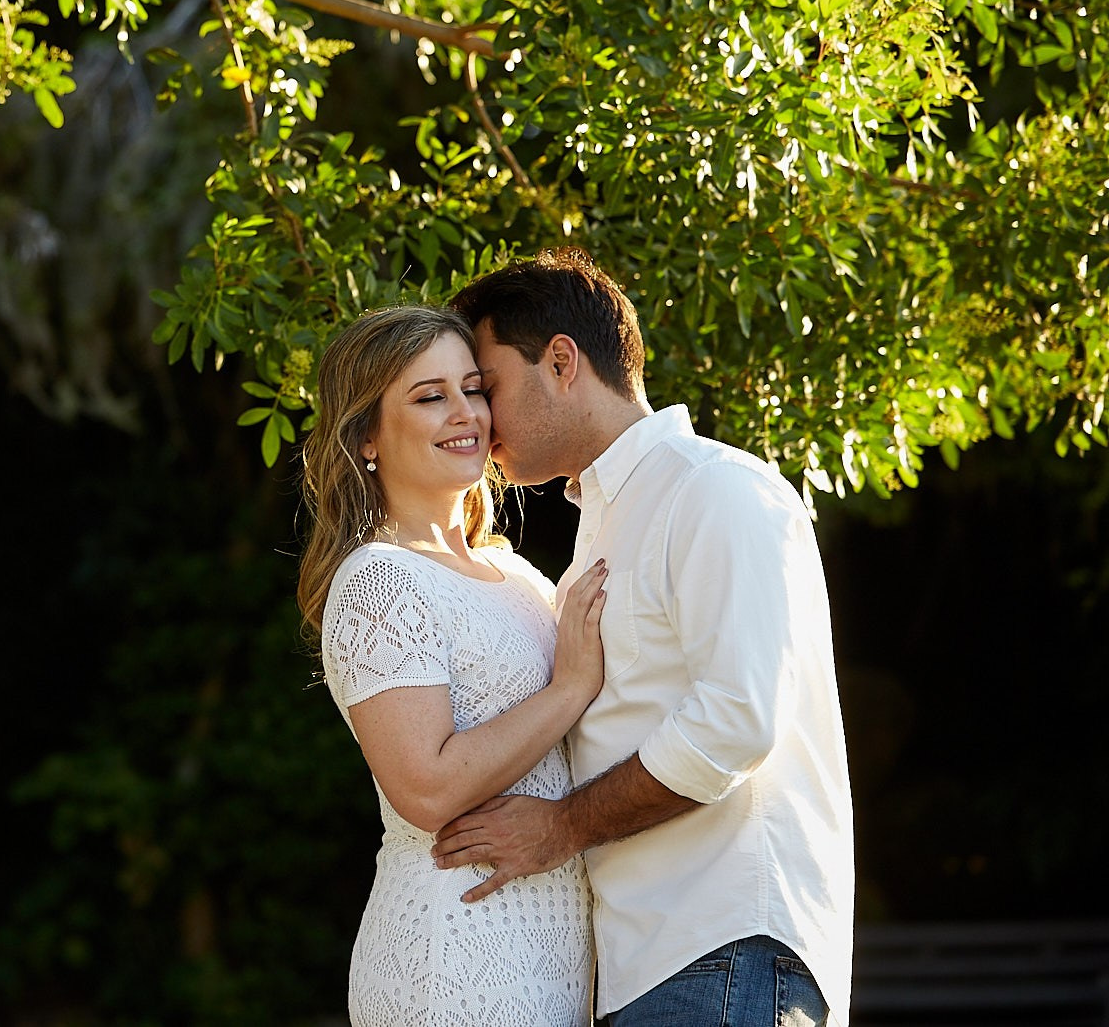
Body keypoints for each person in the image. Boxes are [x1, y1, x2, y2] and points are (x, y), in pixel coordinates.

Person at [432, 249, 855, 1026]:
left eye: (486, 388)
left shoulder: (716, 489)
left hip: (725, 949)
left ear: (561, 361)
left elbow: (736, 719)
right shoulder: (603, 528)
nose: (479, 422)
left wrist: (561, 827)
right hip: (645, 969)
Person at [302, 303, 609, 1026]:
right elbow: (429, 786)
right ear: (368, 436)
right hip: (450, 953)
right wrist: (569, 688)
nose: (465, 412)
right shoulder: (380, 577)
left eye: (473, 388)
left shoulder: (523, 579)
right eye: (430, 396)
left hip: (553, 958)